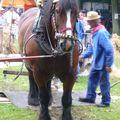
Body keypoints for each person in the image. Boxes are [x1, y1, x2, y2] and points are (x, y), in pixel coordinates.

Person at [78, 11, 114, 107]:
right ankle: (90, 98)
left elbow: (109, 50)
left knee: (104, 83)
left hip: (103, 64)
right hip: (96, 63)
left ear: (95, 21)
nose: (88, 23)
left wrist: (108, 65)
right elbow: (91, 48)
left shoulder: (101, 32)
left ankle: (106, 102)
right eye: (88, 21)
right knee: (91, 79)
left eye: (89, 21)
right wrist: (82, 56)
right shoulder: (95, 31)